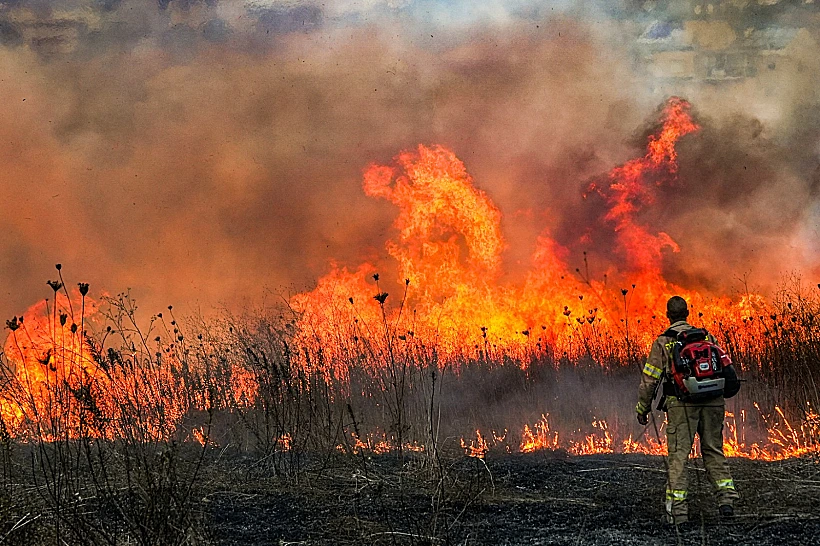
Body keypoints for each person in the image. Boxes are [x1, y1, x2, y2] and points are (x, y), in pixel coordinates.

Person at [635, 296, 740, 525]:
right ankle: (727, 501)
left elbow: (649, 380)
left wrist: (643, 408)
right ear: (687, 313)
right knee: (713, 449)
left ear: (668, 315)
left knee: (679, 456)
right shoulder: (706, 337)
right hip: (714, 400)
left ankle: (678, 513)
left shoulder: (663, 342)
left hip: (681, 404)